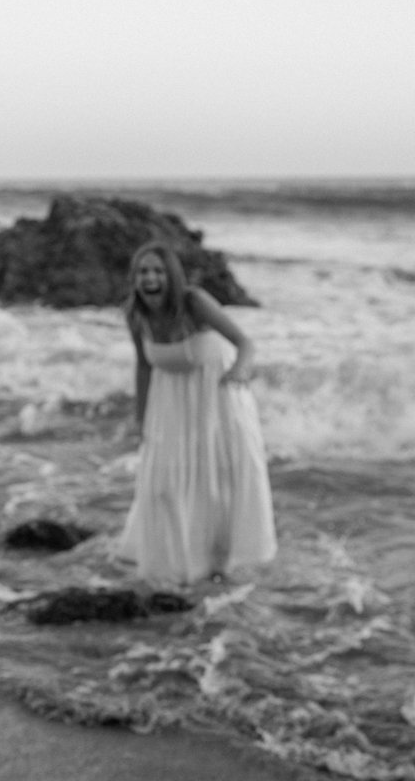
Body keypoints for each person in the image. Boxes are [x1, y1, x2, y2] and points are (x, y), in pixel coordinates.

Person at [116, 240, 275, 584]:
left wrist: (241, 370)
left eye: (158, 270)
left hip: (218, 398)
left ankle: (222, 562)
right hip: (169, 403)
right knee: (163, 483)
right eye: (143, 271)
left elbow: (246, 344)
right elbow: (144, 367)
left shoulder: (194, 302)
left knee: (218, 484)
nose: (150, 278)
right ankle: (176, 564)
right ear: (134, 278)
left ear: (171, 276)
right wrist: (140, 419)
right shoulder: (136, 315)